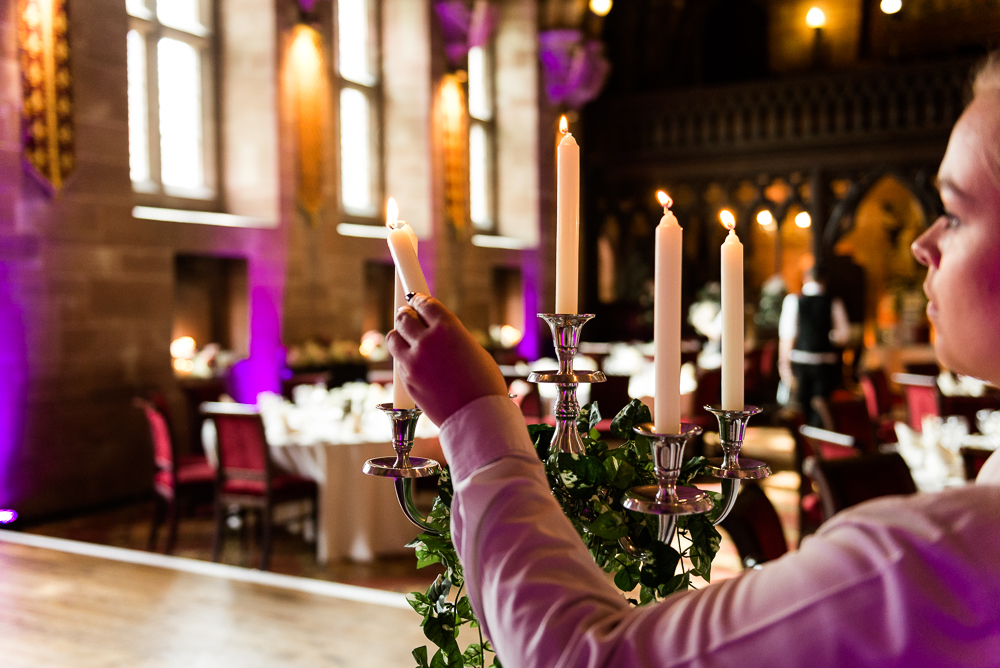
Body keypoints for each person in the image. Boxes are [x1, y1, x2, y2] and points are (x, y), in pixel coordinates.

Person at [387, 54, 1000, 668]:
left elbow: (585, 658)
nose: (923, 244)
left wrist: (476, 418)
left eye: (954, 211)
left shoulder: (937, 559)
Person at [778, 266, 851, 428]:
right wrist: (827, 336)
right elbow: (844, 336)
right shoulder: (833, 301)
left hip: (800, 360)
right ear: (824, 280)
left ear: (805, 278)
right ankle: (818, 442)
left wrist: (783, 364)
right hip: (826, 362)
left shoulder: (793, 300)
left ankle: (806, 442)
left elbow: (787, 336)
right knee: (822, 404)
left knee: (802, 405)